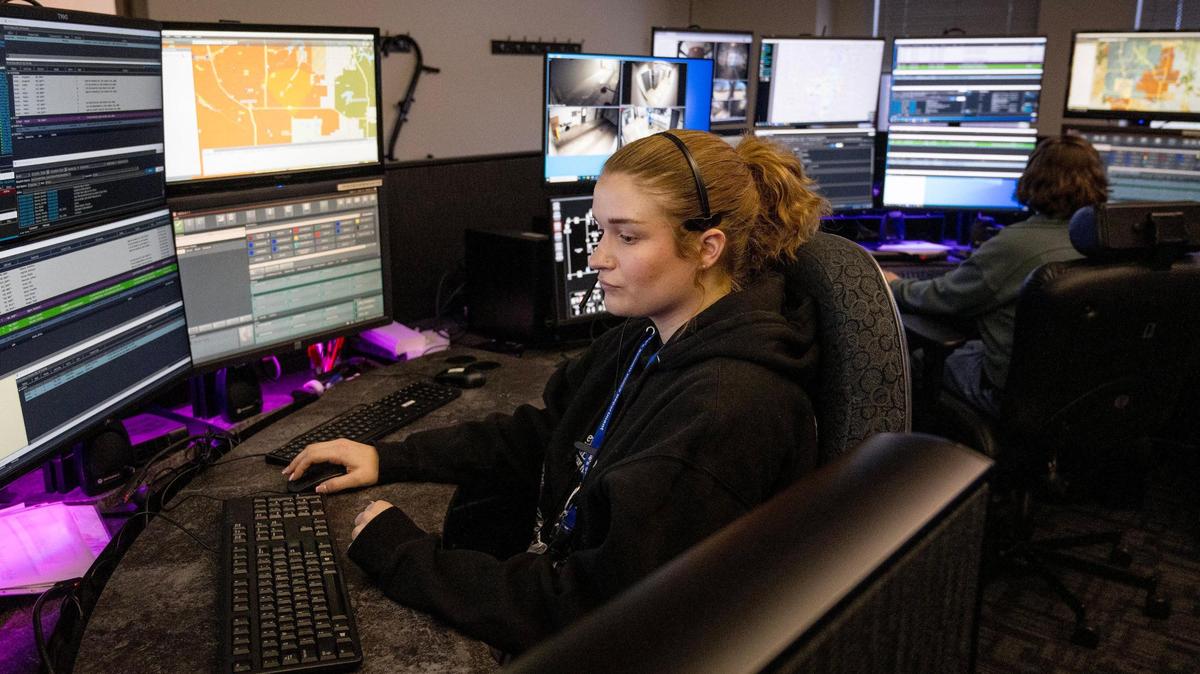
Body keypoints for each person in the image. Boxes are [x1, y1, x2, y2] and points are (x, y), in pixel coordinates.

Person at [283, 130, 830, 654]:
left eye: (628, 236)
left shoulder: (723, 411)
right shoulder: (647, 335)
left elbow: (592, 612)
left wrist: (403, 554)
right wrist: (390, 457)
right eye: (600, 231)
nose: (597, 258)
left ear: (708, 247)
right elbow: (546, 434)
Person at [883, 135, 1108, 416]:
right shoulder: (1104, 242)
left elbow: (945, 297)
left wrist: (894, 285)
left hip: (1006, 392)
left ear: (1033, 179)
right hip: (1082, 394)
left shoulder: (1016, 244)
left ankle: (915, 455)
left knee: (914, 360)